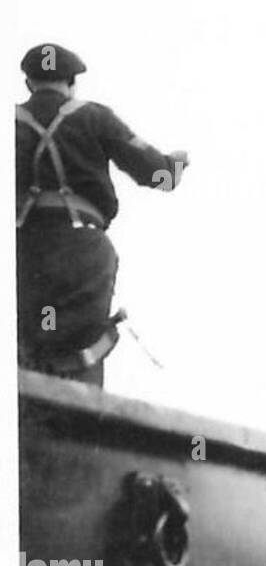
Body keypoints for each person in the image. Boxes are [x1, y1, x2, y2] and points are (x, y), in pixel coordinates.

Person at [15, 43, 188, 385]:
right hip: (80, 252)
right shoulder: (94, 117)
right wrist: (178, 162)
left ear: (28, 84)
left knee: (26, 341)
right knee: (77, 350)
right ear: (72, 82)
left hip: (21, 250)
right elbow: (160, 176)